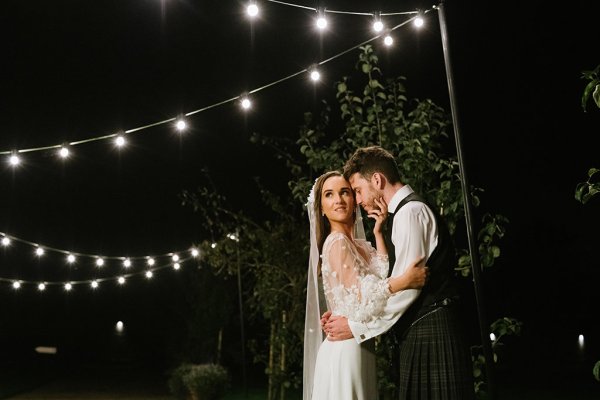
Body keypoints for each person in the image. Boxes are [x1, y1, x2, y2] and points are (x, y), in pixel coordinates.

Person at [322, 146, 474, 399]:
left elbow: (408, 291)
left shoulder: (410, 213)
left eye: (357, 190)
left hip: (431, 326)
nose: (357, 201)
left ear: (378, 180)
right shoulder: (406, 213)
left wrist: (358, 326)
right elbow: (393, 281)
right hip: (423, 326)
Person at [303, 170, 429, 400]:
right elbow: (366, 294)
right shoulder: (337, 242)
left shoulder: (358, 244)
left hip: (359, 342)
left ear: (354, 200)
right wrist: (406, 280)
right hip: (345, 346)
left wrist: (378, 233)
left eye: (345, 192)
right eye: (329, 195)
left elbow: (380, 273)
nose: (339, 200)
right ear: (321, 208)